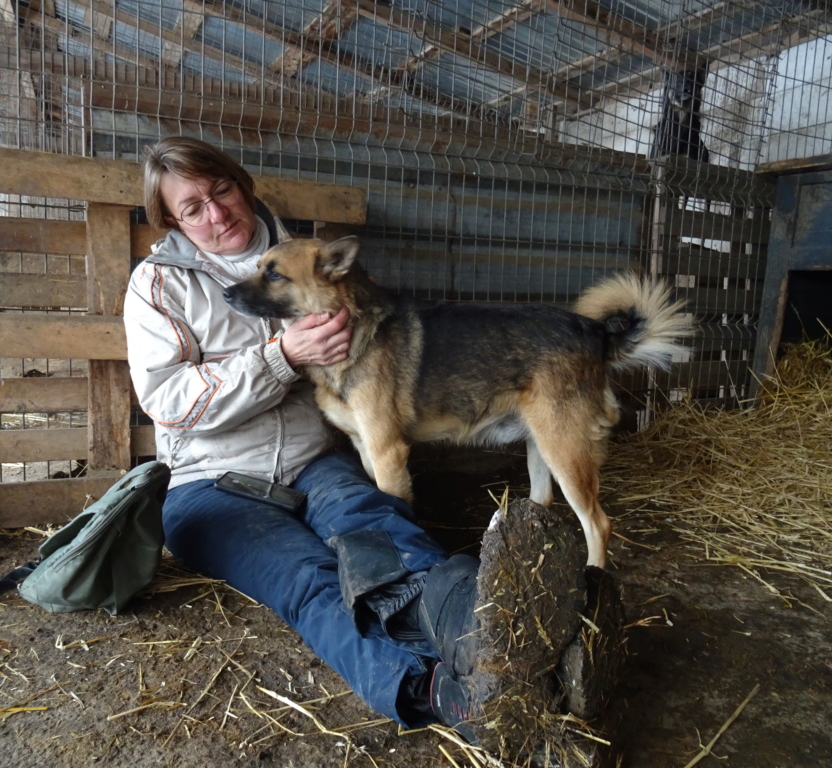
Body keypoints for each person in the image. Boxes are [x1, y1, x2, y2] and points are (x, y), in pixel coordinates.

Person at [122, 136, 584, 755]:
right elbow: (168, 402)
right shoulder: (159, 285)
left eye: (221, 190)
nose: (216, 212)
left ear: (242, 183)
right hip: (211, 484)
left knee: (383, 534)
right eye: (192, 208)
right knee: (310, 580)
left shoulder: (315, 259)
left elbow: (382, 347)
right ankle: (449, 694)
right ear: (174, 220)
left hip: (315, 466)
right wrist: (281, 357)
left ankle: (500, 638)